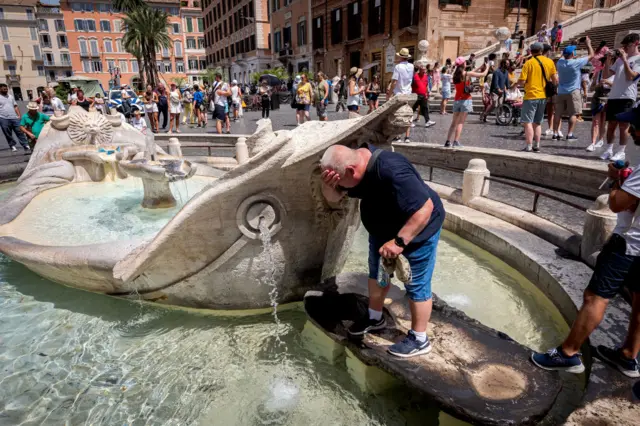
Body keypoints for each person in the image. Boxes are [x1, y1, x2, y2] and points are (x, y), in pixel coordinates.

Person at [531, 105, 640, 378]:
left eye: (635, 126)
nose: (631, 131)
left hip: (629, 244)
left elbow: (617, 205)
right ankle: (628, 357)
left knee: (595, 297)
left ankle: (568, 354)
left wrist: (616, 181)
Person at [319, 143, 445, 358]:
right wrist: (331, 186)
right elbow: (333, 198)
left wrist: (398, 243)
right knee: (378, 274)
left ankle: (419, 338)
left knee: (416, 282)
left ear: (351, 171)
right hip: (383, 228)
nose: (342, 188)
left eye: (341, 182)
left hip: (417, 228)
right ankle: (375, 317)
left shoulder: (392, 170)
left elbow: (425, 209)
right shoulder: (354, 165)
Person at [600, 33, 640, 162]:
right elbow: (606, 75)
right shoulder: (619, 60)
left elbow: (631, 77)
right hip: (614, 95)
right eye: (623, 46)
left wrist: (625, 60)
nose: (625, 48)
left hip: (627, 96)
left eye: (627, 45)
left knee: (623, 125)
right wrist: (607, 60)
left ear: (636, 44)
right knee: (611, 124)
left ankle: (621, 151)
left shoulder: (638, 59)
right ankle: (609, 149)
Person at [517, 42, 558, 152]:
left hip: (530, 96)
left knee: (528, 122)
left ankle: (529, 145)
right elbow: (555, 80)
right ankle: (537, 145)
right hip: (543, 96)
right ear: (541, 50)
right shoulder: (549, 62)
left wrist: (519, 82)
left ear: (531, 51)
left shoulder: (528, 63)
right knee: (537, 122)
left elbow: (522, 81)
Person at [552, 38, 594, 141]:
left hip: (561, 91)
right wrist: (588, 44)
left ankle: (555, 133)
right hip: (573, 91)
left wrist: (572, 45)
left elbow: (562, 56)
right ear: (572, 54)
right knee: (573, 113)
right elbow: (591, 55)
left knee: (558, 113)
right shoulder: (576, 63)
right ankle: (569, 134)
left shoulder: (560, 63)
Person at [444, 57, 488, 148]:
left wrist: (479, 67)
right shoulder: (466, 74)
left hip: (457, 100)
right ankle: (456, 141)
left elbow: (471, 73)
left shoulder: (455, 75)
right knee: (461, 122)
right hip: (466, 100)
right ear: (463, 64)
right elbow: (483, 74)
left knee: (454, 122)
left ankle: (448, 141)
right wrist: (487, 67)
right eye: (465, 62)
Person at [387, 48, 415, 141]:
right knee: (408, 114)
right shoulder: (411, 66)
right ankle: (407, 137)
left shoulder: (398, 67)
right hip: (408, 93)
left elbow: (394, 82)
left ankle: (397, 136)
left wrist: (389, 94)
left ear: (400, 57)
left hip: (399, 94)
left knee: (396, 115)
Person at [585, 73, 612, 152]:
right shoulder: (598, 73)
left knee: (604, 122)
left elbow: (619, 86)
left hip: (608, 98)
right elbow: (591, 88)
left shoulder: (614, 73)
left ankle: (601, 140)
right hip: (597, 100)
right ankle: (593, 143)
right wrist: (598, 85)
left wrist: (608, 82)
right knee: (595, 121)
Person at [0, 83, 29, 152]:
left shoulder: (10, 96)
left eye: (6, 89)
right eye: (4, 89)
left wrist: (19, 115)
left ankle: (25, 145)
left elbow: (15, 106)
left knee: (20, 131)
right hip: (3, 117)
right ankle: (12, 145)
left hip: (14, 117)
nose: (6, 90)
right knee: (7, 132)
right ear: (0, 89)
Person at [411, 64, 436, 131]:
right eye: (423, 69)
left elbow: (426, 85)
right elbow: (411, 85)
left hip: (423, 95)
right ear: (420, 69)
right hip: (416, 95)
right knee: (412, 109)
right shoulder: (415, 76)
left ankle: (427, 121)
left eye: (425, 70)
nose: (424, 71)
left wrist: (427, 93)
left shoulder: (425, 77)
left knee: (425, 108)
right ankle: (409, 121)